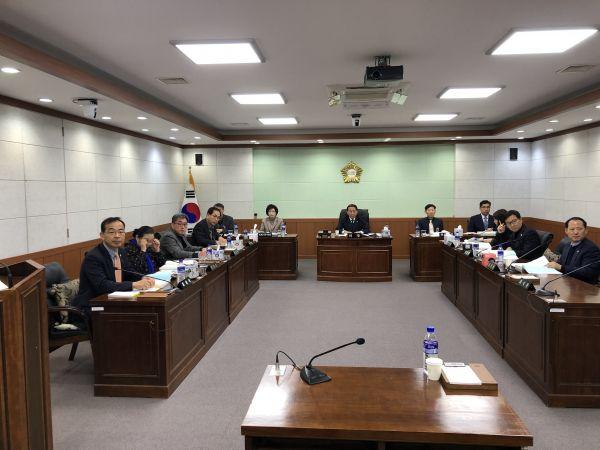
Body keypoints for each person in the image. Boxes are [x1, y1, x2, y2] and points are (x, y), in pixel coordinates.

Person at [72, 217, 155, 312]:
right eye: (112, 232)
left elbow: (129, 272)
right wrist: (134, 285)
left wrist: (143, 278)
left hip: (113, 300)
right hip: (93, 305)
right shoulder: (93, 257)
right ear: (102, 235)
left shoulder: (121, 251)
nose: (117, 236)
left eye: (121, 232)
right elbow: (102, 286)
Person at [546, 217, 600, 284]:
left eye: (579, 229)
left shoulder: (591, 249)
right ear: (566, 231)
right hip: (565, 282)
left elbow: (588, 272)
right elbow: (560, 263)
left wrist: (561, 267)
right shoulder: (567, 245)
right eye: (572, 229)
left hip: (582, 285)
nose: (576, 232)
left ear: (586, 231)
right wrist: (552, 265)